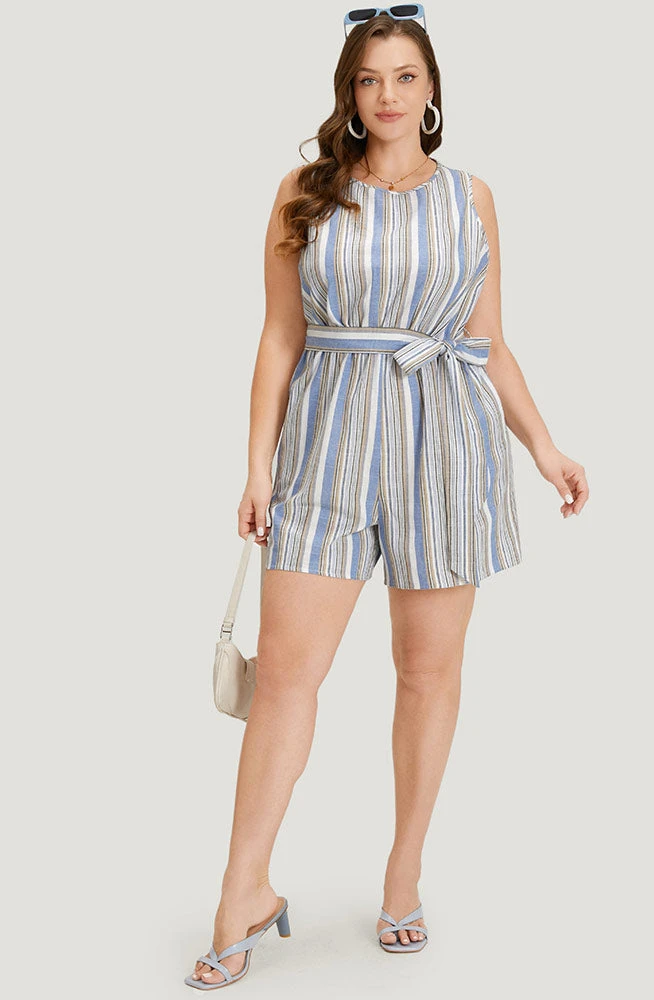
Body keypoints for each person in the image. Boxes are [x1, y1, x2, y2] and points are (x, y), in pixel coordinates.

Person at [185, 4, 589, 989]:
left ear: (432, 88)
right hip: (327, 442)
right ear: (350, 93)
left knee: (426, 672)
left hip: (445, 440)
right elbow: (280, 338)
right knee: (287, 671)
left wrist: (544, 446)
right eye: (370, 79)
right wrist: (257, 465)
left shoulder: (471, 197)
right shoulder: (305, 193)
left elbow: (487, 340)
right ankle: (243, 890)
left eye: (405, 76)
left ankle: (403, 874)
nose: (388, 95)